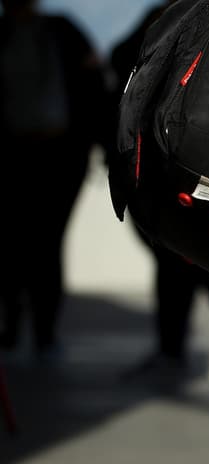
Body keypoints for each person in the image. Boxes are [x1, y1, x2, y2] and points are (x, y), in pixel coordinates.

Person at [108, 0, 209, 388]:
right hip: (165, 164)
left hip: (194, 164)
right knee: (178, 262)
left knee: (200, 257)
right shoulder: (177, 15)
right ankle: (174, 351)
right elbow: (124, 62)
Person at [0, 0, 106, 360]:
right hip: (12, 158)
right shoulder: (5, 34)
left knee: (47, 242)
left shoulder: (62, 30)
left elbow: (95, 87)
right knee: (11, 246)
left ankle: (44, 334)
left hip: (60, 157)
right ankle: (11, 328)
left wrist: (106, 146)